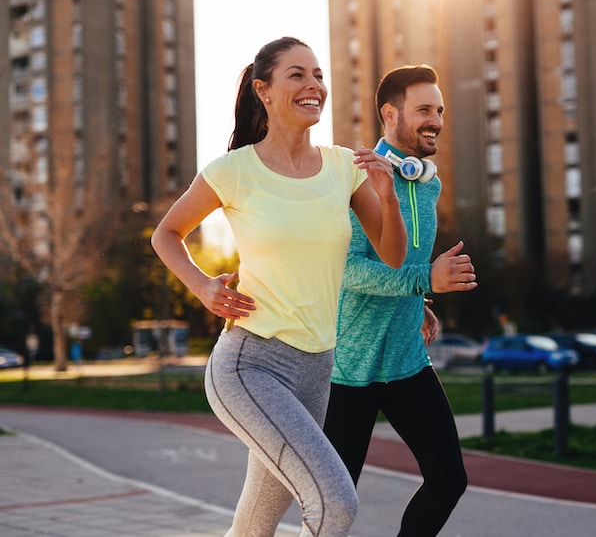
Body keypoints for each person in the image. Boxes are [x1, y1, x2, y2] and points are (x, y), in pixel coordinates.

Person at [151, 37, 407, 537]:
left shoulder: (344, 168)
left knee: (255, 525)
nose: (314, 85)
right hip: (250, 364)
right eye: (297, 74)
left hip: (316, 368)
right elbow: (167, 233)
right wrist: (202, 287)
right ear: (263, 90)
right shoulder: (233, 170)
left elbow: (392, 255)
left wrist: (389, 198)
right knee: (334, 504)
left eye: (318, 75)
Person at [323, 64, 477, 537]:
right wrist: (423, 279)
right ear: (390, 115)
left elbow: (403, 260)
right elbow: (348, 270)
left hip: (407, 360)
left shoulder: (429, 183)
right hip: (349, 368)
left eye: (440, 111)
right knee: (335, 503)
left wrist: (419, 300)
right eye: (425, 110)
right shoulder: (357, 178)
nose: (436, 121)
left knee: (449, 480)